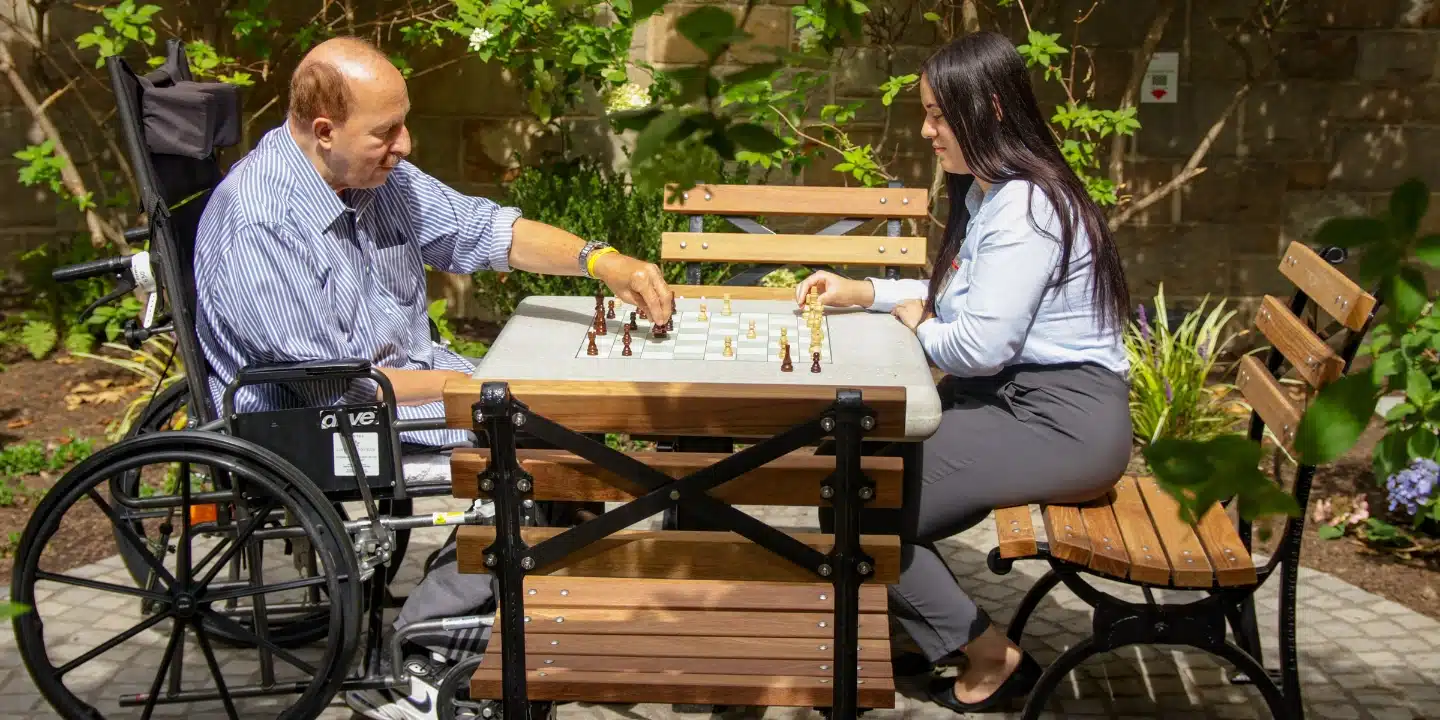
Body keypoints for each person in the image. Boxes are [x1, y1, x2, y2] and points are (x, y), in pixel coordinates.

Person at [192, 36, 675, 720]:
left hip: (398, 388)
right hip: (318, 426)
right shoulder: (261, 221)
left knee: (565, 429)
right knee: (529, 451)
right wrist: (488, 397)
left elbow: (484, 229)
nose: (407, 145)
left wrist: (605, 262)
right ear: (324, 131)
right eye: (386, 132)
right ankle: (426, 657)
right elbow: (339, 388)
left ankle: (530, 620)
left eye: (404, 124)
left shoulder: (373, 177)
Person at [794, 31, 1133, 713]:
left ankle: (989, 655)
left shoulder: (1026, 210)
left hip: (1061, 422)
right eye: (927, 113)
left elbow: (976, 346)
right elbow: (954, 301)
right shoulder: (997, 195)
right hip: (1027, 405)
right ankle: (934, 627)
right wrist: (869, 294)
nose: (926, 132)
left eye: (939, 116)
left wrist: (918, 323)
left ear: (994, 109)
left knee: (859, 499)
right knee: (856, 476)